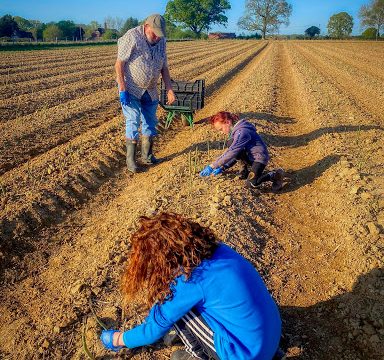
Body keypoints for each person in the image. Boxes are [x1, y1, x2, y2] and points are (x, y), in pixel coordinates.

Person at [100, 212, 284, 360]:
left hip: (247, 354)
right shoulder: (219, 249)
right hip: (270, 335)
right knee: (185, 303)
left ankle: (197, 354)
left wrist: (118, 339)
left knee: (176, 310)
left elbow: (152, 331)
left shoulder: (192, 279)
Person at [115, 14, 176, 173]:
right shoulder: (132, 36)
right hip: (131, 89)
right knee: (133, 120)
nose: (156, 37)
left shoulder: (162, 41)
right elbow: (119, 64)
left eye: (159, 34)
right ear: (146, 26)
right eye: (154, 33)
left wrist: (170, 90)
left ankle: (147, 157)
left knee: (150, 122)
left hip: (150, 90)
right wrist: (122, 88)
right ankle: (131, 162)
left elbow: (164, 67)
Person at [199, 112, 284, 191]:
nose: (221, 132)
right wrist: (222, 167)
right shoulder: (236, 132)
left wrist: (212, 166)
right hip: (250, 156)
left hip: (259, 158)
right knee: (231, 143)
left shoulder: (242, 132)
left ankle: (273, 175)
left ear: (228, 122)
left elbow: (231, 152)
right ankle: (245, 171)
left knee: (251, 184)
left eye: (221, 129)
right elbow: (234, 152)